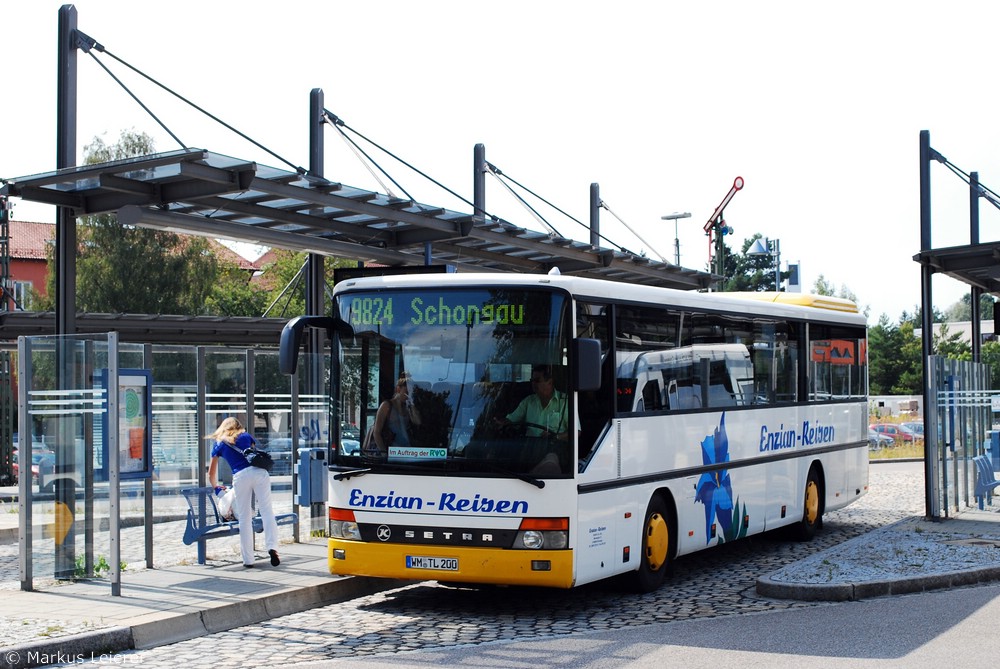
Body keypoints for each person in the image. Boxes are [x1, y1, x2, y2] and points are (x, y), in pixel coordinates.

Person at [207, 417, 280, 568]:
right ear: (238, 425)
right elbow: (252, 453)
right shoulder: (245, 436)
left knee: (245, 518)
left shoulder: (219, 443)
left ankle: (248, 560)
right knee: (267, 511)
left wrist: (215, 486)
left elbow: (211, 473)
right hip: (259, 473)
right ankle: (272, 547)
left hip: (240, 476)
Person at [496, 365, 569, 440]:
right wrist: (502, 423)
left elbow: (576, 432)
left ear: (550, 382)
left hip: (554, 448)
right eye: (532, 380)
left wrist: (556, 437)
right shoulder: (528, 401)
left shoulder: (565, 401)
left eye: (537, 380)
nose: (533, 383)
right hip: (530, 448)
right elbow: (512, 420)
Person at [370, 374, 422, 454]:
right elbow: (376, 432)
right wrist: (384, 453)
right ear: (398, 389)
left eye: (410, 392)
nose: (408, 395)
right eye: (406, 392)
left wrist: (412, 404)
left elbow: (418, 422)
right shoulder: (386, 406)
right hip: (391, 450)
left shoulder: (407, 407)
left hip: (406, 450)